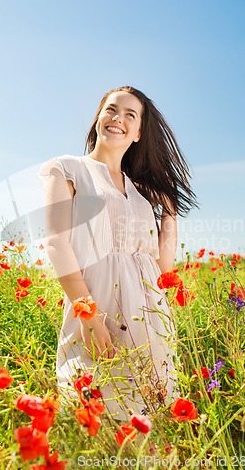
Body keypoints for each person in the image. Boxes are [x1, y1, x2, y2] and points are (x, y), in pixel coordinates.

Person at [38, 86, 197, 420]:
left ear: (138, 133)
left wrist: (169, 213)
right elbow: (56, 241)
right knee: (98, 410)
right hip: (99, 307)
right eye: (111, 109)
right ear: (99, 116)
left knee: (148, 419)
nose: (117, 119)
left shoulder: (140, 192)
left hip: (148, 315)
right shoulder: (68, 169)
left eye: (130, 115)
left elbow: (159, 268)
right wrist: (88, 314)